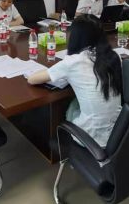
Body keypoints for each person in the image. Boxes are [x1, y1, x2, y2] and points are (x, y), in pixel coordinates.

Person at [27, 15, 122, 148]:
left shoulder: (74, 62)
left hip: (92, 137)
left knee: (70, 106)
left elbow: (32, 80)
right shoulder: (113, 56)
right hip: (119, 131)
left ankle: (60, 144)